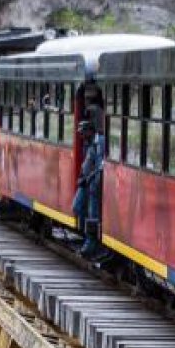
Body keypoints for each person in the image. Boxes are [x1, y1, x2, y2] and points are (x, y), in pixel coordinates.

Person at [74, 86, 106, 257]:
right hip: (86, 182)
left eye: (83, 133)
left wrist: (89, 178)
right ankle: (87, 239)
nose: (81, 136)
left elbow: (101, 164)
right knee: (78, 208)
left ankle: (90, 243)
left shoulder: (99, 142)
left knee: (92, 213)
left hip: (92, 184)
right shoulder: (89, 144)